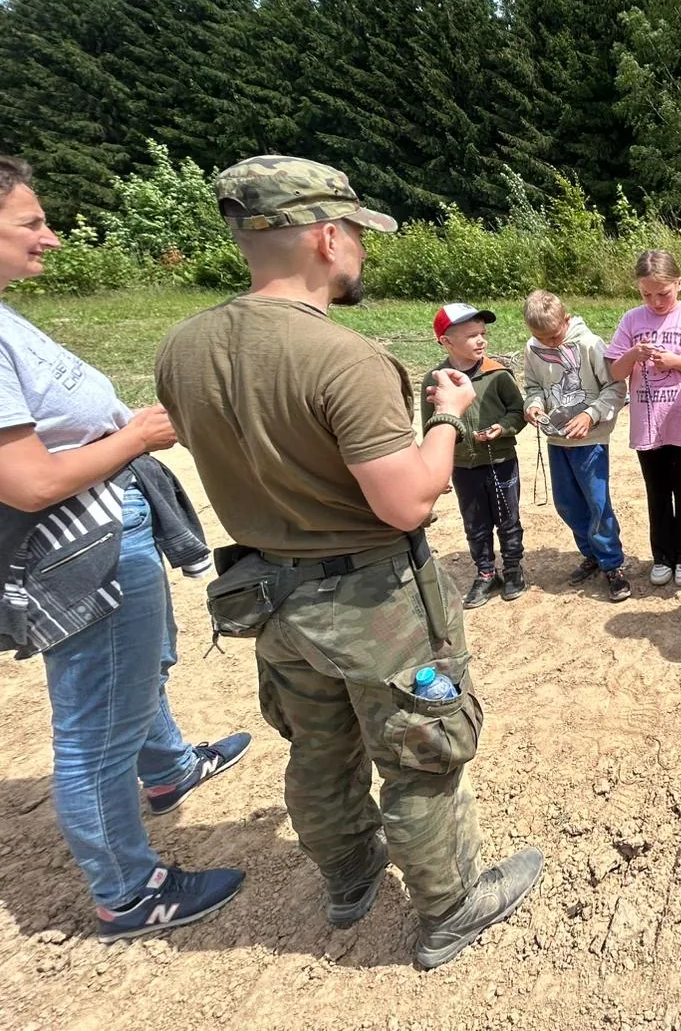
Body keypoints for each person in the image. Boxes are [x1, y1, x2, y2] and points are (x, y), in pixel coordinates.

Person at [155, 155, 543, 970]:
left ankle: (349, 876)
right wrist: (447, 418)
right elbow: (404, 502)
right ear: (327, 237)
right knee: (419, 750)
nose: (364, 251)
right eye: (359, 235)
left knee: (318, 747)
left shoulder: (181, 350)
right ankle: (450, 904)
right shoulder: (343, 359)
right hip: (372, 603)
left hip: (268, 598)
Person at [0, 156, 249, 943]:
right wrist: (138, 434)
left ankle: (169, 766)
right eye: (31, 222)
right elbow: (29, 482)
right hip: (77, 552)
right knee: (97, 720)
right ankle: (129, 891)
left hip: (102, 533)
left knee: (129, 672)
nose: (51, 236)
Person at [606, 250, 681, 588]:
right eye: (646, 294)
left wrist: (674, 361)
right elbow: (615, 371)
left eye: (663, 293)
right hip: (648, 421)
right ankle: (663, 556)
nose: (655, 301)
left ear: (679, 284)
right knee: (655, 490)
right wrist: (633, 354)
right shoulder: (631, 320)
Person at [522, 289, 629, 602]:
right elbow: (532, 386)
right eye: (541, 337)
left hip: (590, 439)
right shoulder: (533, 348)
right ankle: (591, 554)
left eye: (554, 336)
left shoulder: (590, 344)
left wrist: (590, 415)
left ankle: (612, 565)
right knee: (566, 502)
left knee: (597, 503)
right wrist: (533, 405)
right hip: (556, 439)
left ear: (566, 321)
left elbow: (615, 387)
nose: (549, 343)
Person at [424, 304, 527, 608]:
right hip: (462, 466)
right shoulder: (435, 380)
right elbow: (431, 427)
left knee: (508, 519)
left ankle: (512, 569)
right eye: (471, 336)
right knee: (475, 524)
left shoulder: (498, 375)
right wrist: (435, 469)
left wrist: (503, 428)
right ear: (446, 341)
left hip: (500, 461)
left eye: (483, 333)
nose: (481, 340)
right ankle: (485, 573)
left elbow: (517, 413)